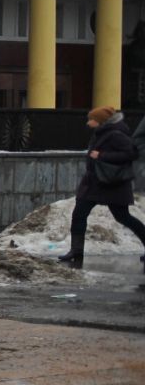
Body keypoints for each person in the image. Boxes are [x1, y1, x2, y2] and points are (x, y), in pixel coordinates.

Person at [57, 106, 144, 270]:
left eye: (92, 119)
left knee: (123, 217)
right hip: (94, 183)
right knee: (79, 214)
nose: (88, 122)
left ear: (101, 121)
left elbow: (131, 154)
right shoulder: (101, 133)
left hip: (112, 183)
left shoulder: (116, 134)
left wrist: (102, 156)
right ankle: (76, 251)